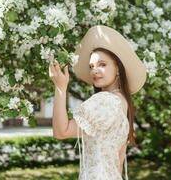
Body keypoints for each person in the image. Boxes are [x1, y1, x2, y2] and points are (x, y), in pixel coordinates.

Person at [48, 25, 147, 180]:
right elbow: (119, 163)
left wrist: (60, 88)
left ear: (118, 68)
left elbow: (61, 132)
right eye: (91, 66)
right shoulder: (123, 102)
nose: (94, 70)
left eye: (102, 64)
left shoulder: (104, 101)